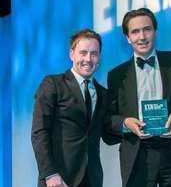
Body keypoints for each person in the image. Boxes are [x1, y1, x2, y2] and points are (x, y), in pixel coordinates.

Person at [107, 8, 171, 187]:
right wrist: (126, 124)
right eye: (135, 31)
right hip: (138, 156)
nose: (142, 36)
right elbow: (108, 118)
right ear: (127, 37)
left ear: (155, 31)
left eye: (147, 29)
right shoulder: (116, 75)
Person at [31, 29, 119, 187]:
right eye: (83, 53)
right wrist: (50, 173)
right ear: (72, 54)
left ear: (99, 57)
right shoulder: (53, 84)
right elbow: (39, 132)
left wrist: (131, 124)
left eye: (94, 53)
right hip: (59, 179)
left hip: (92, 180)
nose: (88, 59)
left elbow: (108, 134)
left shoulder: (103, 94)